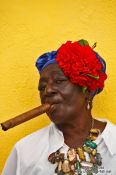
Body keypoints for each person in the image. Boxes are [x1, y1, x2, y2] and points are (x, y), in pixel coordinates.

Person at [2, 39, 116, 175]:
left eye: (59, 81)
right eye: (42, 87)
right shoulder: (24, 152)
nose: (48, 91)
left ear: (88, 92)